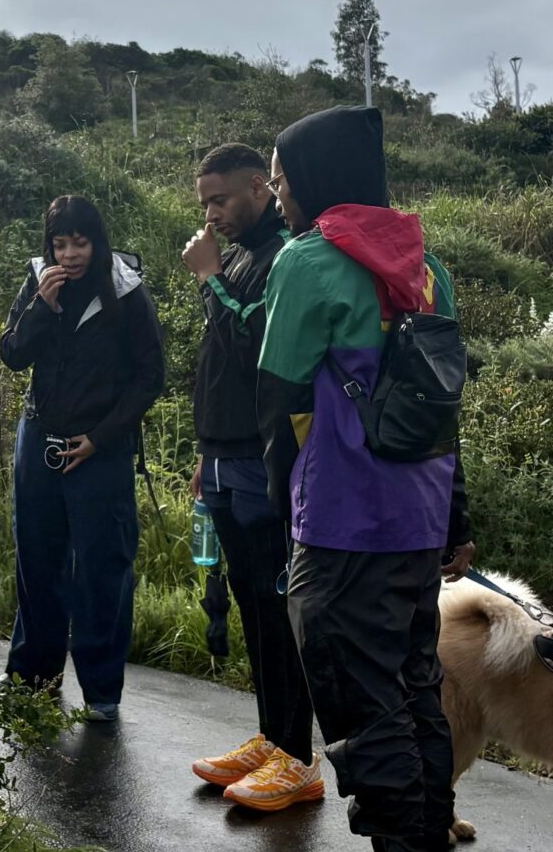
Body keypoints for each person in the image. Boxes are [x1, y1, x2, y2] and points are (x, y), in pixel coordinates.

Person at [255, 107, 476, 852]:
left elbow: (278, 396)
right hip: (418, 517)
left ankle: (402, 842)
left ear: (316, 181)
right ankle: (427, 835)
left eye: (284, 182)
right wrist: (455, 519)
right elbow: (443, 408)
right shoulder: (429, 266)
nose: (280, 197)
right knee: (415, 689)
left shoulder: (308, 261)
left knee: (361, 700)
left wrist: (281, 510)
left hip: (343, 522)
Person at [178, 142, 322, 811]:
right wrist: (205, 456)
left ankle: (298, 756)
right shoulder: (233, 254)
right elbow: (217, 362)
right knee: (249, 602)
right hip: (225, 455)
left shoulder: (282, 257)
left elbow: (259, 349)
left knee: (277, 605)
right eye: (205, 201)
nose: (212, 213)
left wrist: (209, 280)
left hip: (265, 458)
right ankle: (271, 737)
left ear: (261, 191)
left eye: (222, 199)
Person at [0, 195, 165, 723]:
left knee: (102, 568)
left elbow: (149, 377)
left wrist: (101, 438)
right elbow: (12, 355)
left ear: (98, 241)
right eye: (59, 243)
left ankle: (102, 694)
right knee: (37, 561)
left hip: (100, 450)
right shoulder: (38, 283)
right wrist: (40, 309)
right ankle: (32, 680)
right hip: (39, 440)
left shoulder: (127, 291)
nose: (69, 254)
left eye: (80, 242)